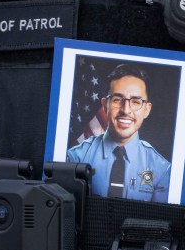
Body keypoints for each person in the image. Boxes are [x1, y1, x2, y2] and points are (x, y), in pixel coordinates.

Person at [67, 64, 171, 202]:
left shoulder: (161, 169)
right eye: (117, 99)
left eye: (136, 101)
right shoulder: (75, 158)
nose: (126, 110)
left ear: (146, 109)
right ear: (105, 105)